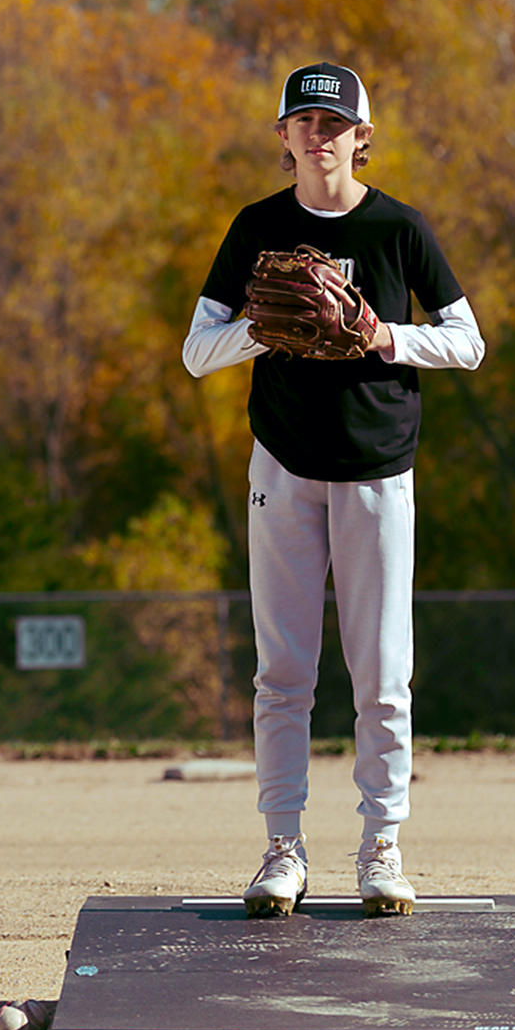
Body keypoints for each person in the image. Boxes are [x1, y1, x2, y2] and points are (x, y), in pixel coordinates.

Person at [183, 63, 484, 918]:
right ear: (282, 137)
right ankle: (283, 847)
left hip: (379, 469)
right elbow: (196, 353)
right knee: (281, 672)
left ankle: (382, 844)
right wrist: (263, 324)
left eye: (335, 121)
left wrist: (380, 333)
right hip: (281, 463)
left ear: (362, 135)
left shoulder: (398, 228)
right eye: (304, 121)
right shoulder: (257, 227)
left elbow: (468, 343)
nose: (320, 135)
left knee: (384, 674)